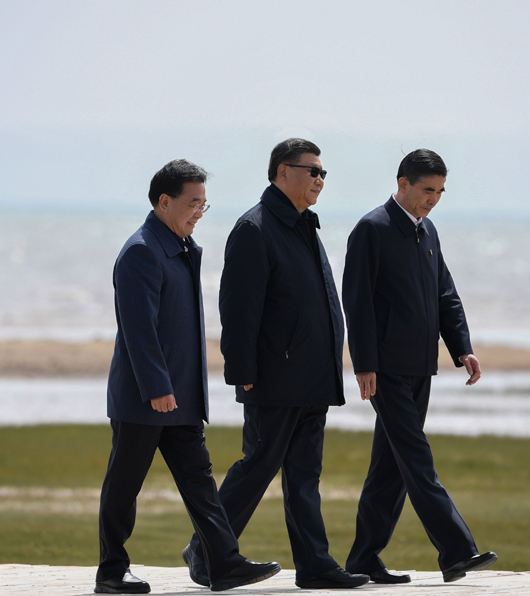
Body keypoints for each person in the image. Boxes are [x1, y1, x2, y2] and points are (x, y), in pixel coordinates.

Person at [182, 139, 369, 590]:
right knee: (258, 466)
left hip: (314, 376)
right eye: (312, 171)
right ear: (283, 172)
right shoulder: (256, 228)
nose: (320, 180)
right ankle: (206, 552)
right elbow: (238, 309)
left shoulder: (305, 226)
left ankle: (316, 565)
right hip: (275, 376)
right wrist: (241, 373)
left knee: (304, 475)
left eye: (323, 173)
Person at [96, 159, 281, 594]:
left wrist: (183, 390)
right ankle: (111, 571)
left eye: (204, 204)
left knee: (200, 484)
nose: (199, 211)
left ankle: (225, 564)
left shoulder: (182, 249)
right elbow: (139, 330)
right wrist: (157, 387)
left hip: (181, 398)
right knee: (124, 485)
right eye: (193, 202)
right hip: (145, 399)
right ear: (165, 202)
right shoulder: (142, 251)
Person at [342, 149, 498, 584]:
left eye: (441, 191)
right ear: (403, 183)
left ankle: (363, 559)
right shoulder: (372, 229)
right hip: (386, 369)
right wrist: (364, 363)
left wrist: (462, 348)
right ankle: (457, 551)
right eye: (428, 189)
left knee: (390, 467)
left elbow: (445, 294)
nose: (434, 199)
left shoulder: (427, 231)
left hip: (420, 365)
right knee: (415, 457)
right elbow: (357, 301)